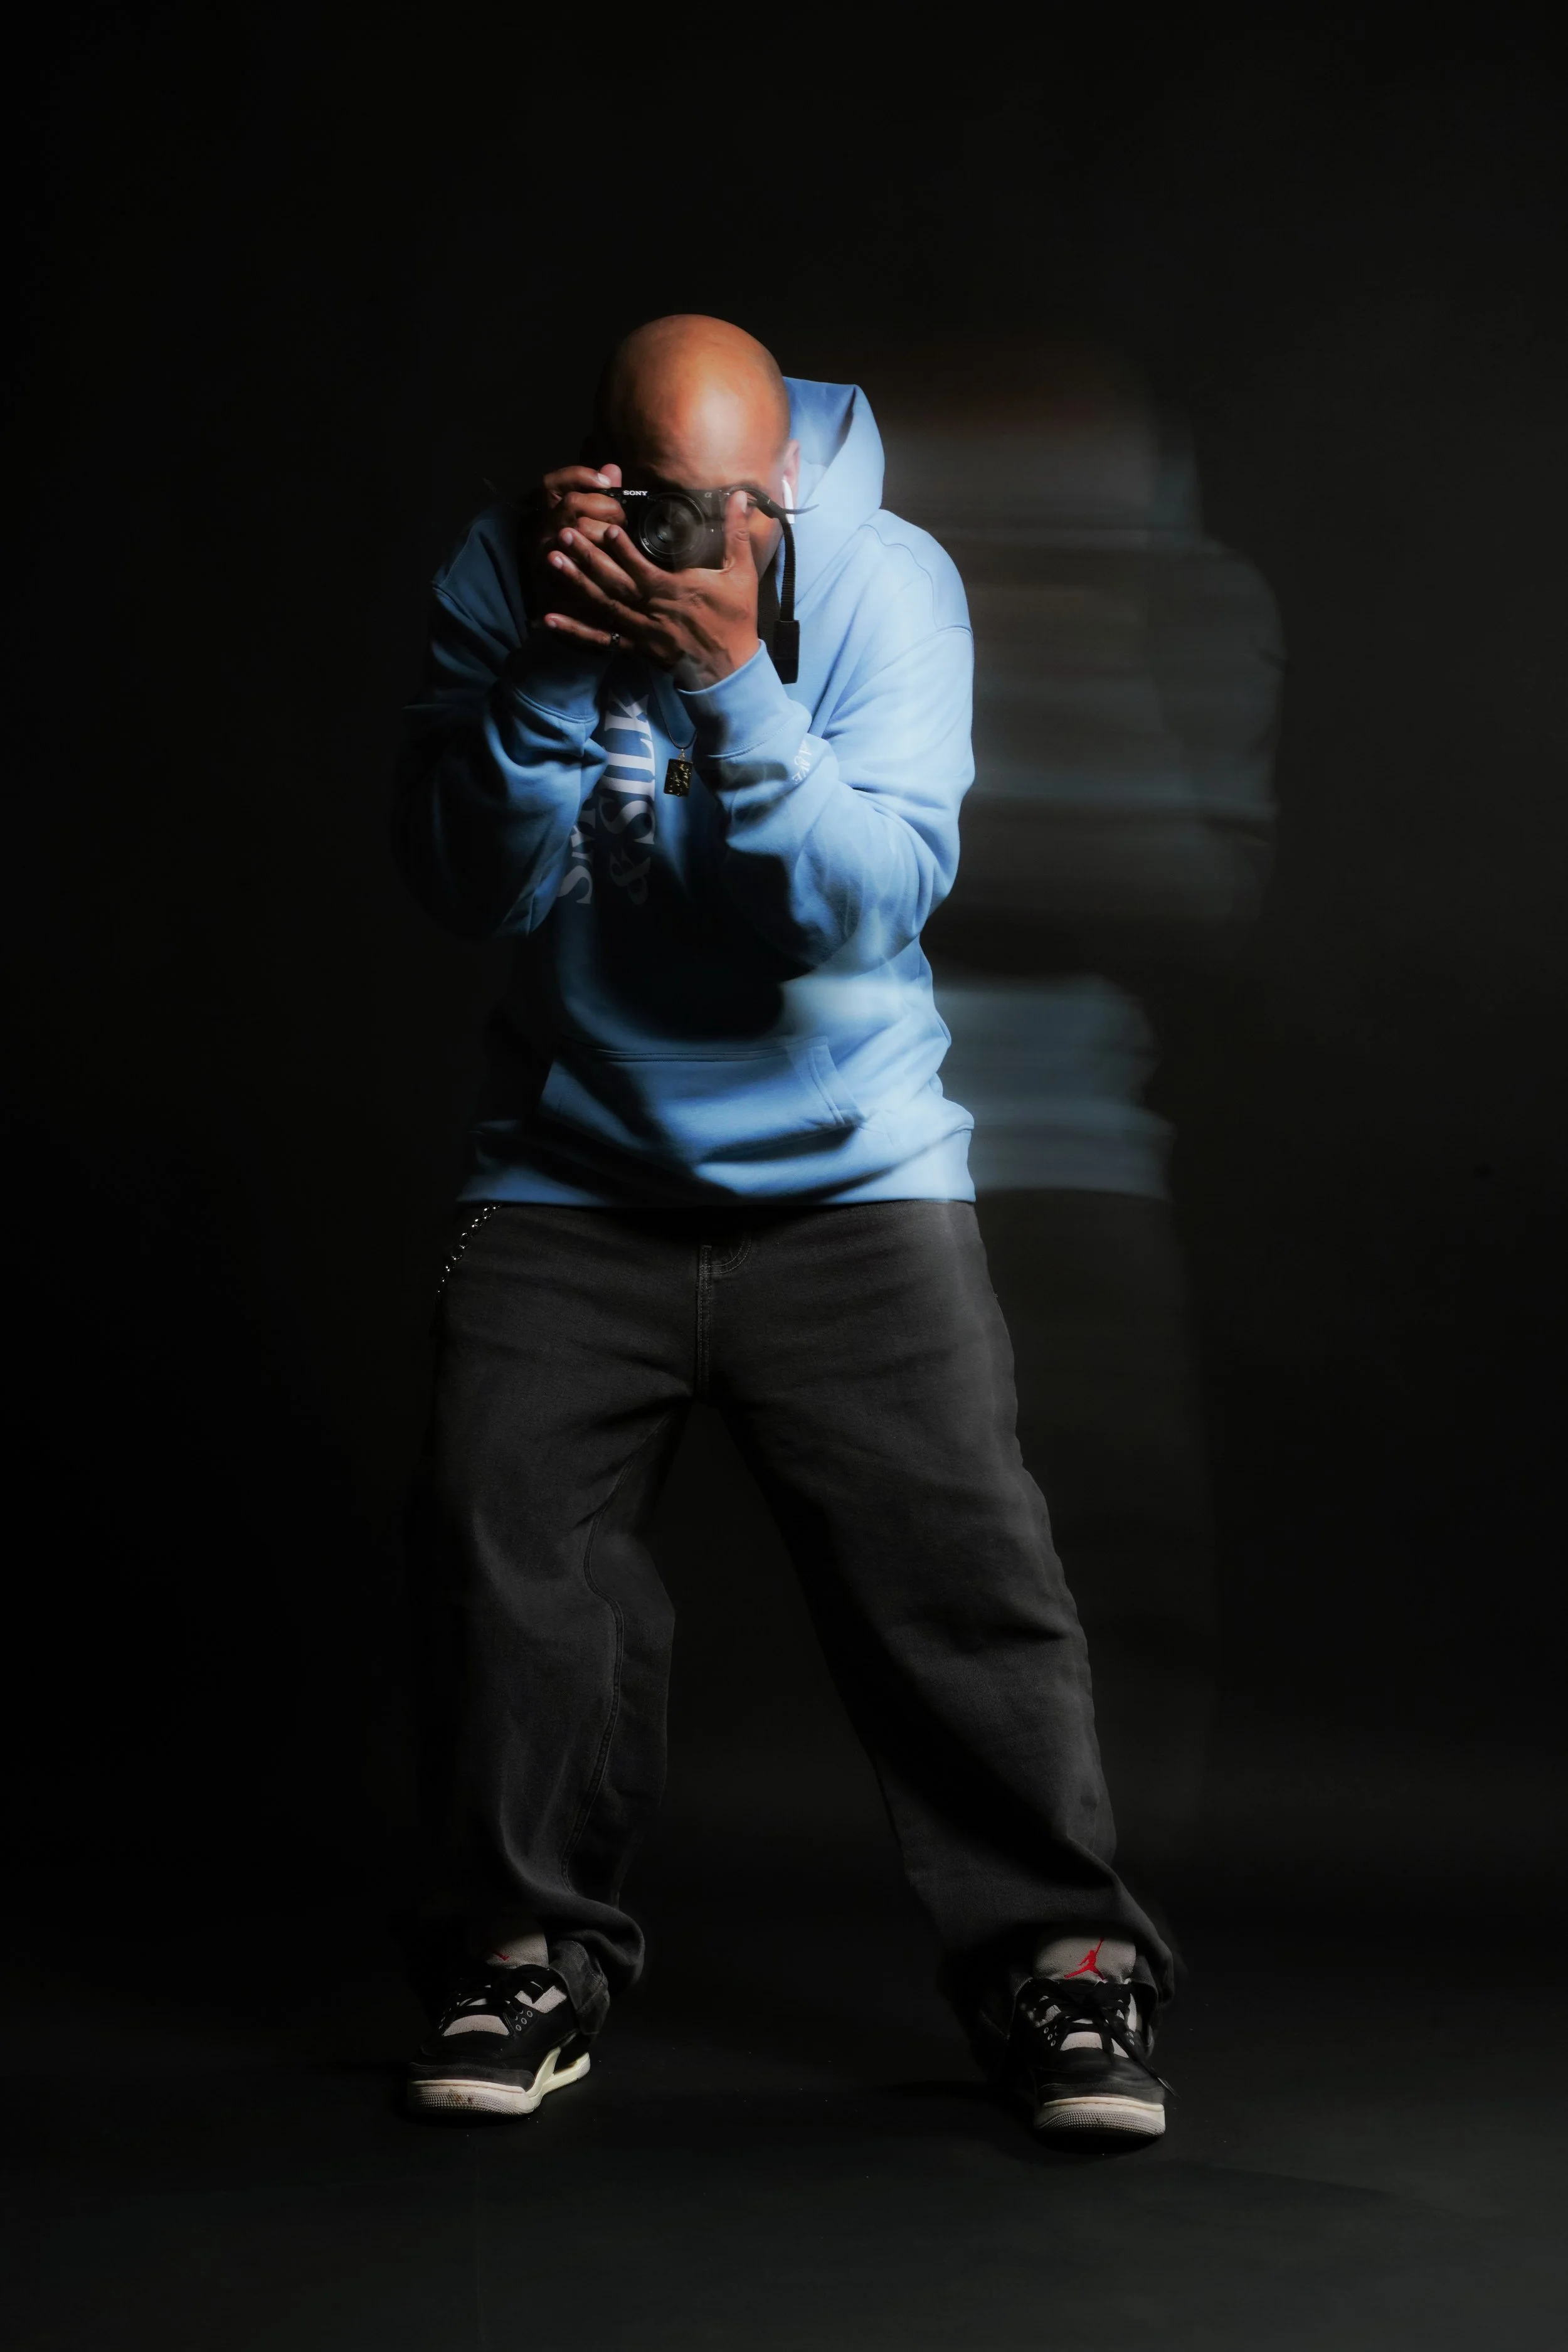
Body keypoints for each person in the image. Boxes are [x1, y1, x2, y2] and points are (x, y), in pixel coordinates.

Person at [393, 314, 1173, 2144]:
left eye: (736, 507)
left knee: (964, 1590)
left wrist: (737, 688)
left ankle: (1064, 1963)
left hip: (853, 1184)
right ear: (593, 474)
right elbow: (455, 879)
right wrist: (547, 682)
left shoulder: (891, 587)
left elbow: (865, 905)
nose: (697, 543)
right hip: (569, 1179)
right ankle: (524, 1949)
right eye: (659, 507)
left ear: (791, 482)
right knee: (510, 1588)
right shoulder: (509, 572)